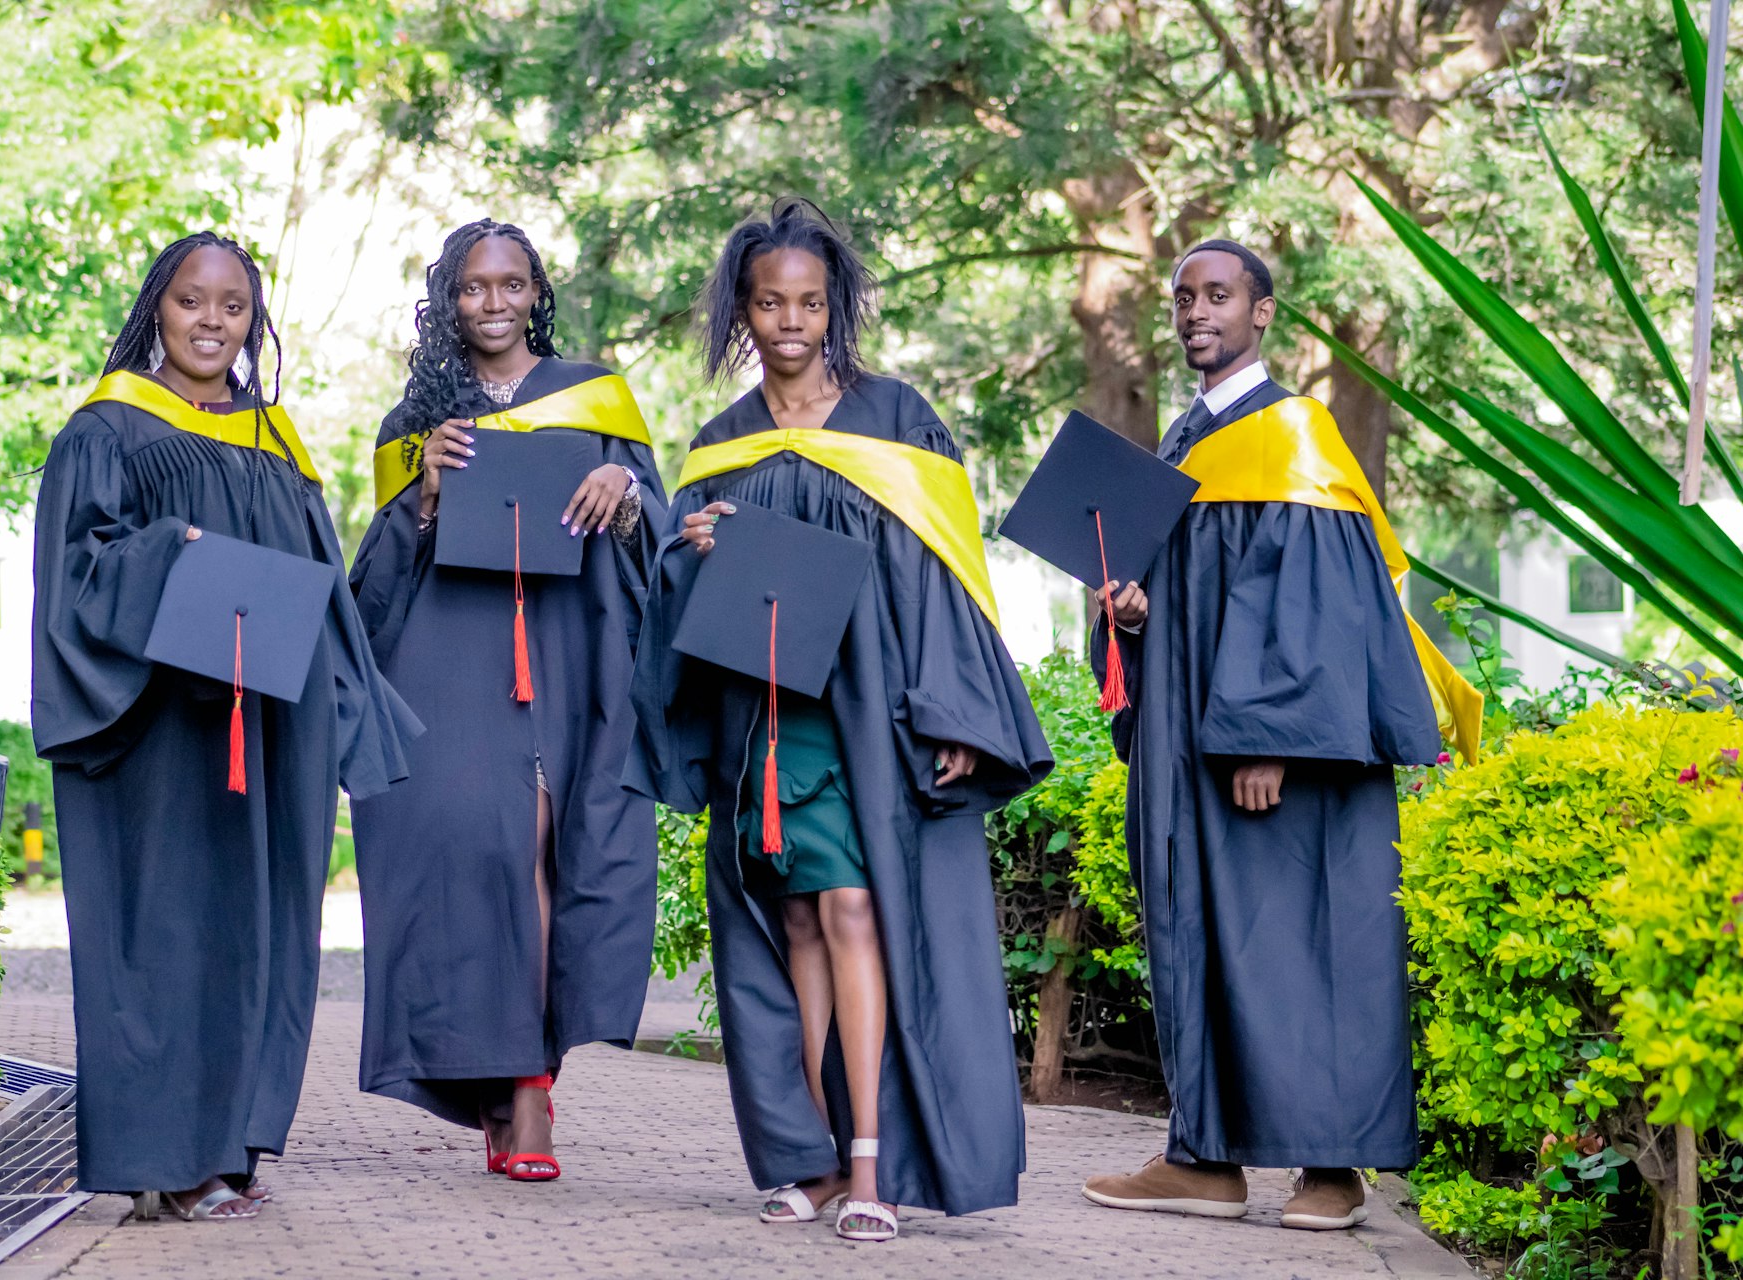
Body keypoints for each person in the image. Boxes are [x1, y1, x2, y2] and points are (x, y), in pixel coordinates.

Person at [630, 198, 1052, 1242]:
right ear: (743, 310)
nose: (791, 321)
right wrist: (689, 548)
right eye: (770, 302)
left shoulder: (896, 418)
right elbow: (677, 594)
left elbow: (949, 575)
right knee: (796, 923)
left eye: (810, 303)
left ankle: (870, 1158)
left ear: (835, 307)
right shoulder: (722, 442)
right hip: (764, 717)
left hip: (869, 713)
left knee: (858, 910)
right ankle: (815, 1157)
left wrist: (955, 712)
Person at [1081, 239, 1480, 1230]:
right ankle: (1204, 1158)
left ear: (1262, 312)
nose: (1196, 312)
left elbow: (1315, 604)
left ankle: (1333, 1170)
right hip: (1187, 748)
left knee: (1302, 942)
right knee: (1202, 940)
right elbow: (1183, 598)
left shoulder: (1294, 436)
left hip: (1272, 755)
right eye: (1183, 297)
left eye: (1218, 295)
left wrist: (1270, 737)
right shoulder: (1184, 441)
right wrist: (1131, 614)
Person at [32, 231, 420, 1221]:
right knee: (171, 927)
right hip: (162, 728)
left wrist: (351, 700)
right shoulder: (111, 426)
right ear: (155, 308)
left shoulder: (273, 436)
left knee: (263, 931)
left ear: (255, 320)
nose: (212, 321)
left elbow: (319, 578)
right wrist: (175, 550)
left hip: (273, 721)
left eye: (233, 306)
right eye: (191, 301)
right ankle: (170, 1159)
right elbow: (78, 572)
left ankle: (233, 1144)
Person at [347, 219, 666, 1181]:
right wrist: (425, 492)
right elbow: (377, 580)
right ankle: (504, 1077)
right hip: (455, 656)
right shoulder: (415, 425)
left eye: (512, 284)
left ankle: (530, 1087)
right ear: (449, 300)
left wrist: (622, 481)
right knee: (479, 852)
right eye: (474, 286)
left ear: (536, 293)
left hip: (569, 650)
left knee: (551, 850)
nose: (494, 303)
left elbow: (656, 531)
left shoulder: (594, 398)